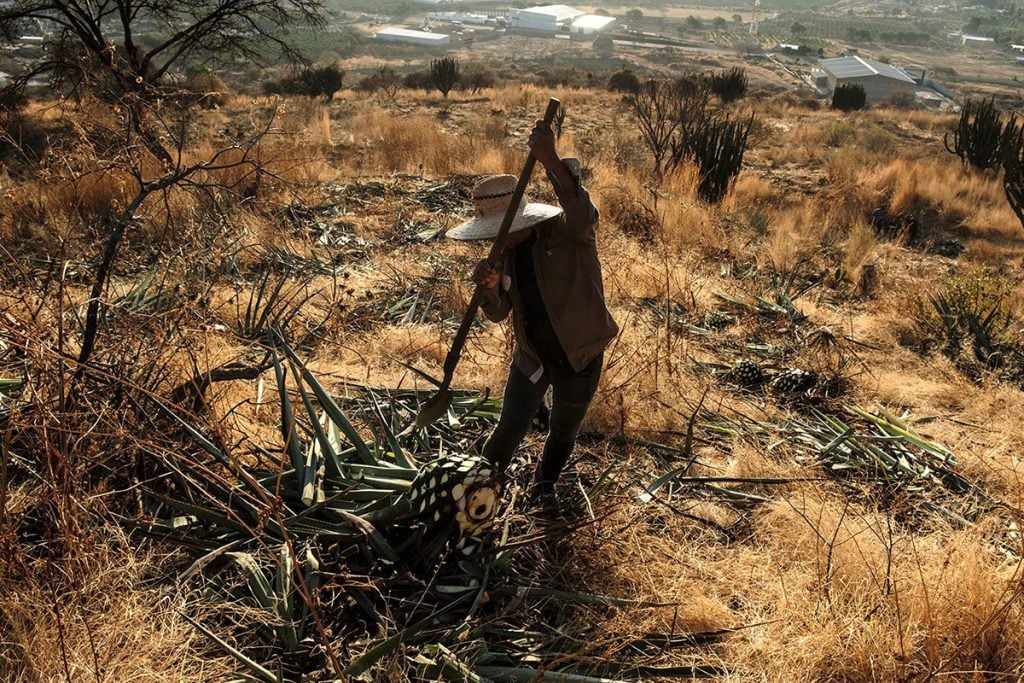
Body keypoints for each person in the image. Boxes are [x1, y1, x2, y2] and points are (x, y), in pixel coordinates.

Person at [446, 120, 618, 499]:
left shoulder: (567, 232)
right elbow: (498, 313)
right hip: (532, 357)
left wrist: (551, 159)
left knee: (562, 431)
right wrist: (491, 290)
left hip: (580, 354)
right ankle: (476, 492)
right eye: (491, 230)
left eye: (501, 226)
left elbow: (583, 211)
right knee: (509, 427)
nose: (497, 236)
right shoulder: (504, 254)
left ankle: (544, 487)